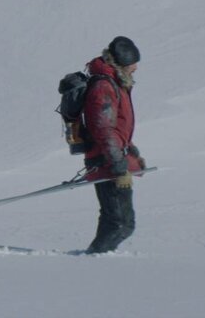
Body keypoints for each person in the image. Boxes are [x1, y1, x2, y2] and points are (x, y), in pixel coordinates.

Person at [82, 36, 146, 254]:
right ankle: (91, 262)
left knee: (117, 222)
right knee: (120, 224)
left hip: (112, 158)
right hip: (107, 161)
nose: (135, 68)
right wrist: (119, 167)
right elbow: (104, 130)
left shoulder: (115, 83)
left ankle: (94, 260)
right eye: (132, 65)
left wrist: (133, 153)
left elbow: (118, 128)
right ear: (121, 64)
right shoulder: (103, 87)